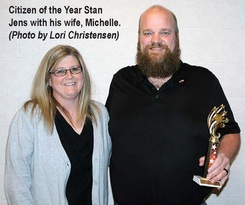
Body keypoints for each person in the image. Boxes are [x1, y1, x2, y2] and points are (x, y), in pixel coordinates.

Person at [106, 5, 241, 205]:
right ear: (139, 38)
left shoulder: (204, 80)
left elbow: (231, 132)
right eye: (148, 33)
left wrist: (222, 156)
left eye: (165, 32)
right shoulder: (121, 81)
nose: (156, 40)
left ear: (176, 37)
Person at [4, 45, 112, 205]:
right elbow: (16, 182)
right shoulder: (30, 116)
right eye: (60, 71)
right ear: (48, 79)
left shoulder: (100, 114)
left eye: (75, 69)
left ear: (83, 74)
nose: (69, 76)